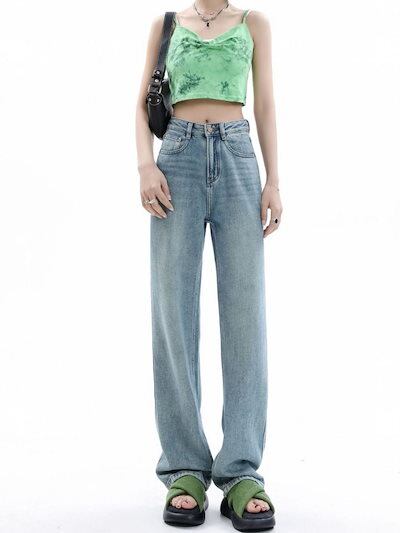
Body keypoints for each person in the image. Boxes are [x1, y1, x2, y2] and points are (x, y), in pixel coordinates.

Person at [135, 1, 282, 530]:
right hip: (176, 158)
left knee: (245, 314)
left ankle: (241, 471)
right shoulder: (167, 24)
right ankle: (185, 468)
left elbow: (264, 104)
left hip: (239, 156)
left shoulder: (254, 23)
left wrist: (274, 180)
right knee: (172, 314)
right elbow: (142, 103)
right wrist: (145, 165)